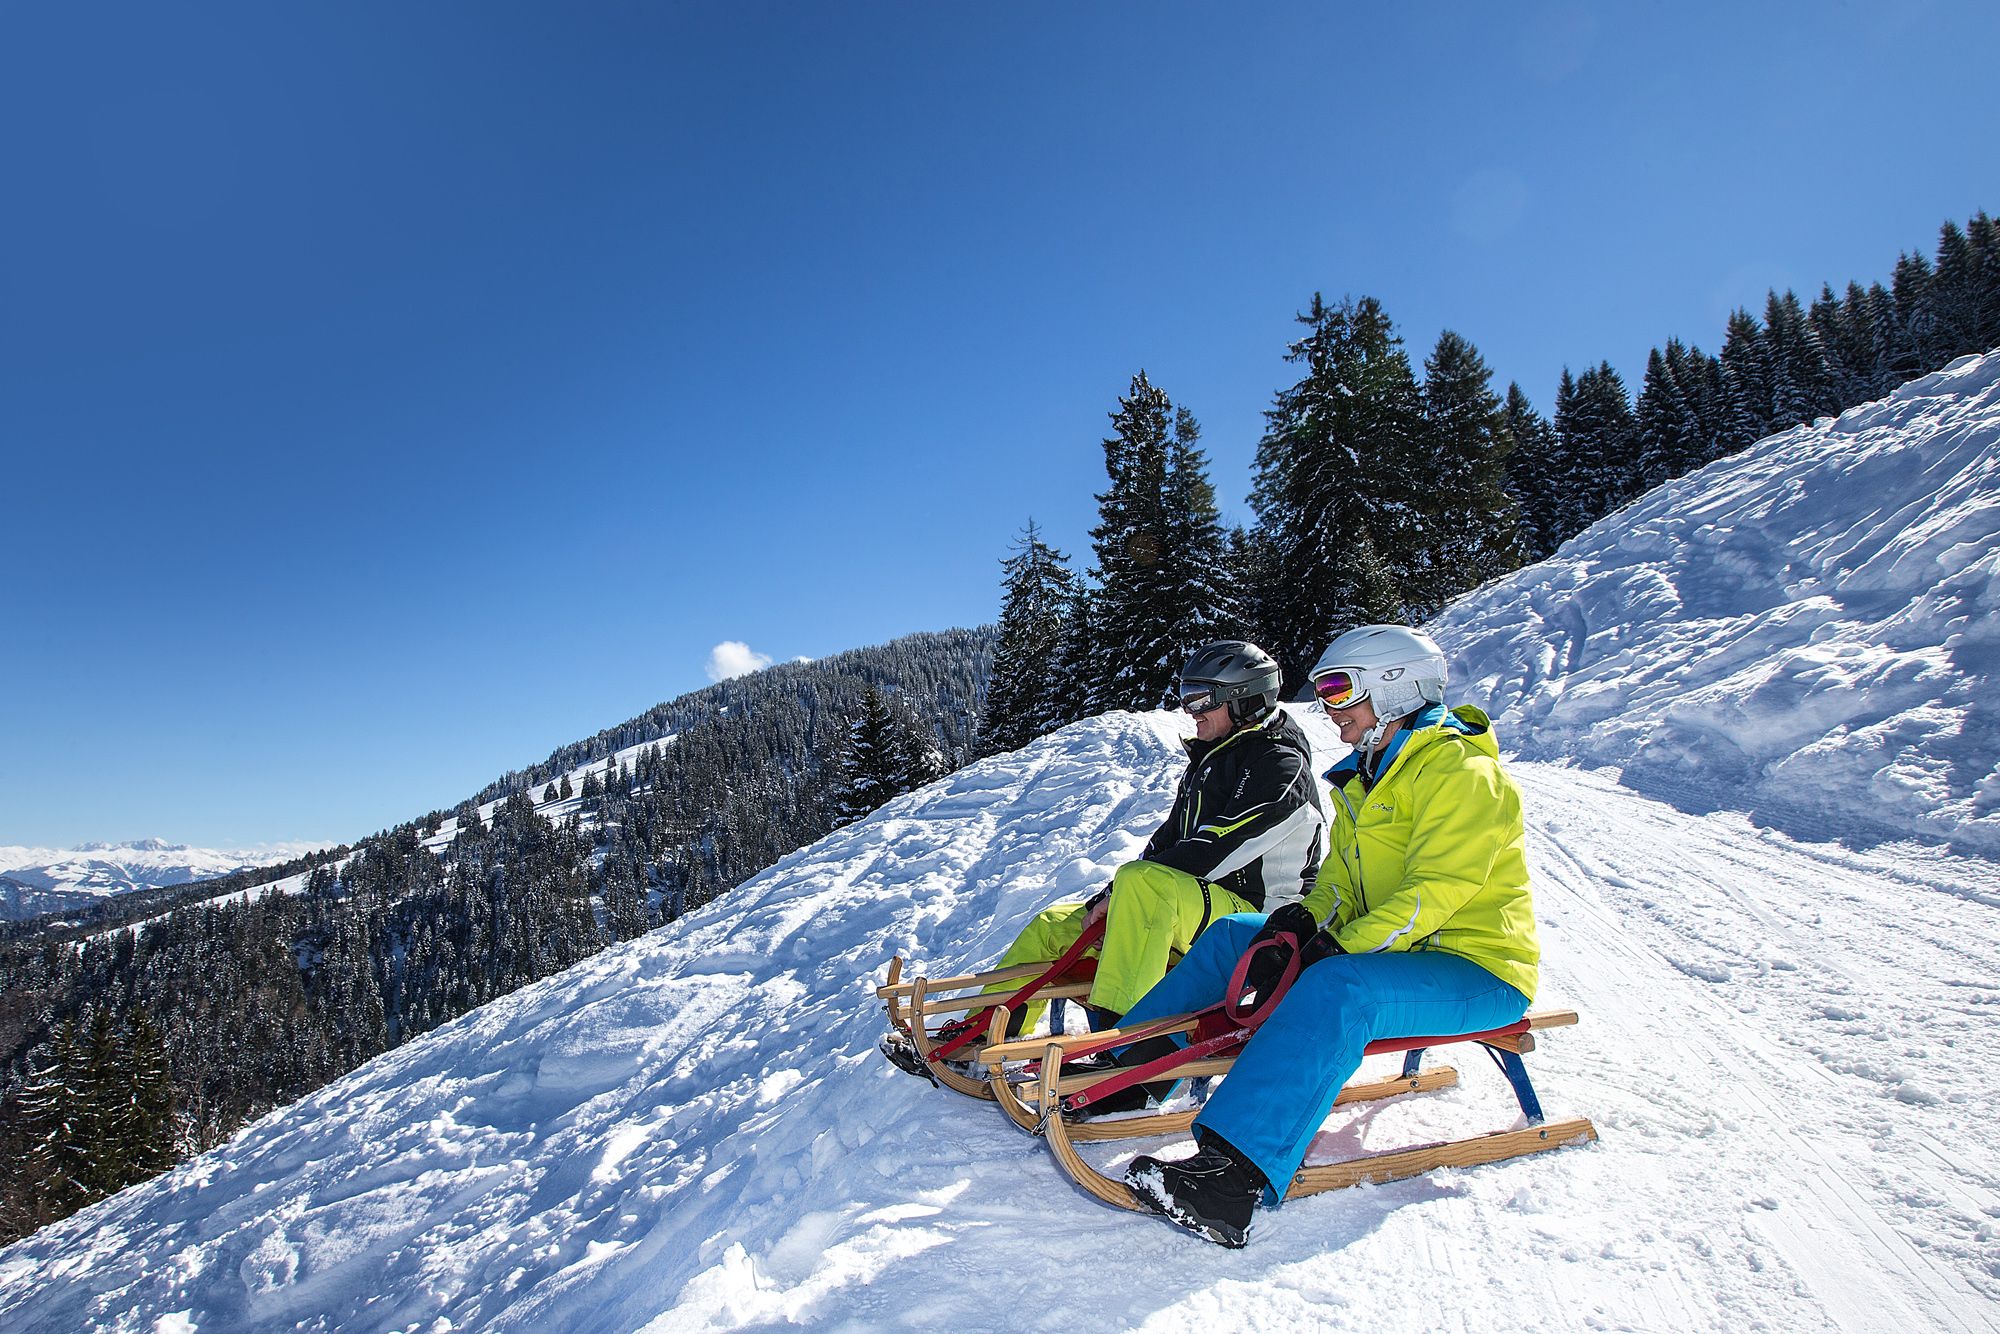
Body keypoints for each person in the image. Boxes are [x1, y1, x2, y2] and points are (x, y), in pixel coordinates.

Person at [1114, 624, 1540, 1248]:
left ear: (1394, 688)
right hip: (1403, 955)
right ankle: (1133, 1072)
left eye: (1340, 690)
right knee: (1241, 933)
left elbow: (1438, 890)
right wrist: (1304, 921)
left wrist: (1340, 947)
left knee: (1342, 987)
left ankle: (1233, 1178)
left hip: (1475, 967)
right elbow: (1338, 879)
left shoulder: (1463, 772)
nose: (1327, 708)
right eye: (1322, 692)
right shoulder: (1369, 775)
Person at [889, 641, 1325, 1074]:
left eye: (1201, 698)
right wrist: (1106, 898)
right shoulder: (1212, 759)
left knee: (1144, 887)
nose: (1191, 710)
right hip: (1193, 903)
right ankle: (981, 1036)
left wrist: (1127, 891)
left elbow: (1219, 845)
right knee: (1054, 926)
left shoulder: (1279, 764)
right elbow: (1166, 843)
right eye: (1186, 696)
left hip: (1260, 919)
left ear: (1244, 699)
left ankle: (1123, 1052)